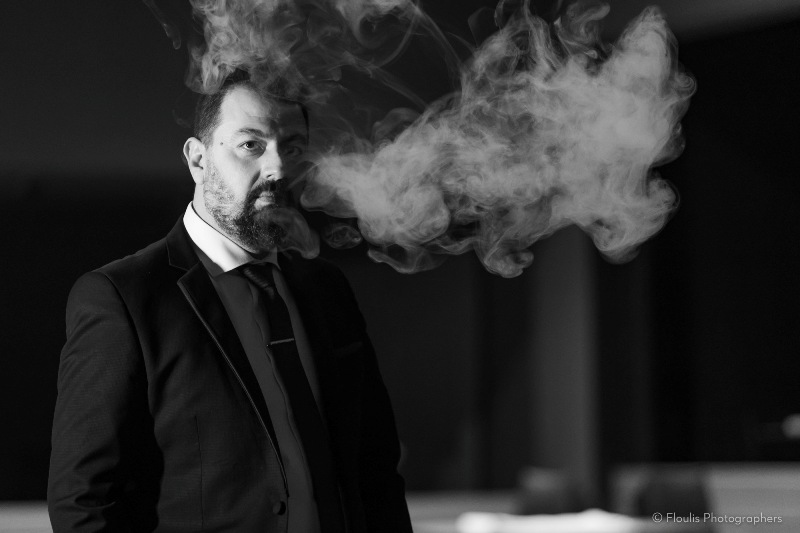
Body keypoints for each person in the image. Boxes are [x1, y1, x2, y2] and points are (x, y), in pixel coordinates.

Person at [47, 78, 413, 533]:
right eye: (251, 145)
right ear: (198, 160)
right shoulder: (125, 297)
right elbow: (83, 499)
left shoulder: (325, 288)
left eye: (292, 148)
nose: (277, 167)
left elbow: (375, 470)